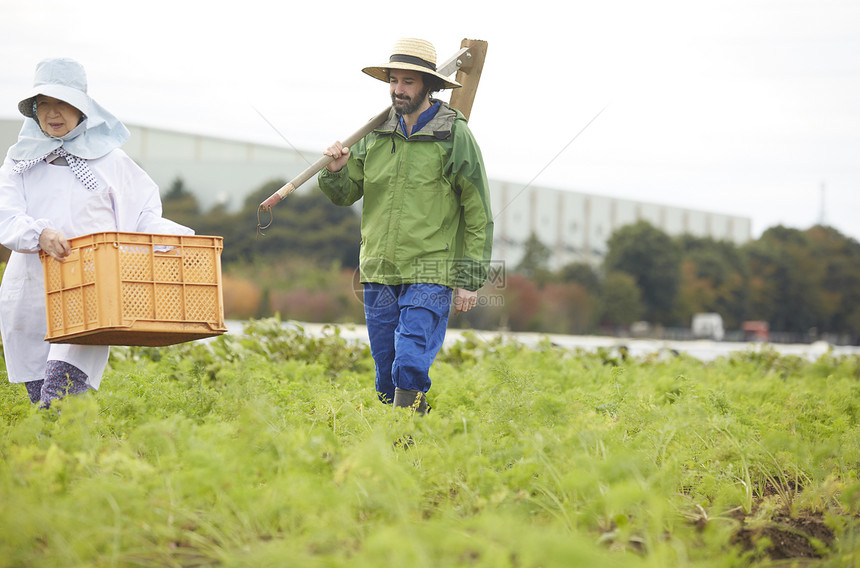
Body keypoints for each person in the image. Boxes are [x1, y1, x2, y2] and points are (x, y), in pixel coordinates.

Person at [0, 58, 194, 408]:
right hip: (29, 297)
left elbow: (144, 216)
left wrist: (177, 241)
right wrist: (38, 233)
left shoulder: (111, 161)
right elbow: (6, 216)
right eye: (43, 104)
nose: (52, 113)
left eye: (62, 103)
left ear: (82, 108)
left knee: (56, 405)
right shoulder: (19, 161)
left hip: (87, 295)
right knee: (45, 410)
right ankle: (77, 461)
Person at [318, 38, 493, 414]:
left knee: (410, 359)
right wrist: (335, 172)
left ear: (428, 86)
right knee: (386, 374)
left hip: (432, 268)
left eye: (408, 81)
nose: (398, 89)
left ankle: (405, 437)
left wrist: (469, 278)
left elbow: (478, 211)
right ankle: (408, 433)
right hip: (380, 266)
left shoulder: (454, 136)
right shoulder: (374, 134)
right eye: (394, 80)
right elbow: (347, 193)